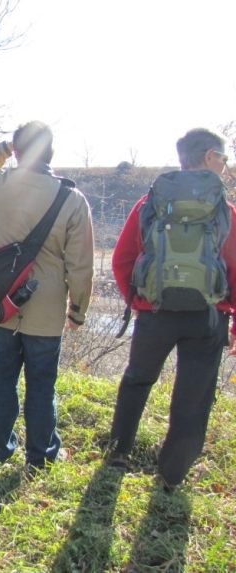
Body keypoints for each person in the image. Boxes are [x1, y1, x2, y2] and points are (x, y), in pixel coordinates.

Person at [107, 128, 236, 491]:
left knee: (137, 379)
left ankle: (118, 453)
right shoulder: (226, 212)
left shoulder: (149, 204)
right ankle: (171, 476)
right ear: (209, 156)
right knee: (193, 396)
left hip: (155, 311)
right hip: (208, 316)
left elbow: (122, 260)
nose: (225, 166)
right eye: (224, 158)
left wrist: (139, 301)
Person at [0, 121, 94, 471]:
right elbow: (81, 267)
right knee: (42, 384)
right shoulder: (72, 200)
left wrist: (4, 149)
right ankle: (41, 455)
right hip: (46, 312)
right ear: (52, 152)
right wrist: (77, 310)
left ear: (17, 152)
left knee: (1, 377)